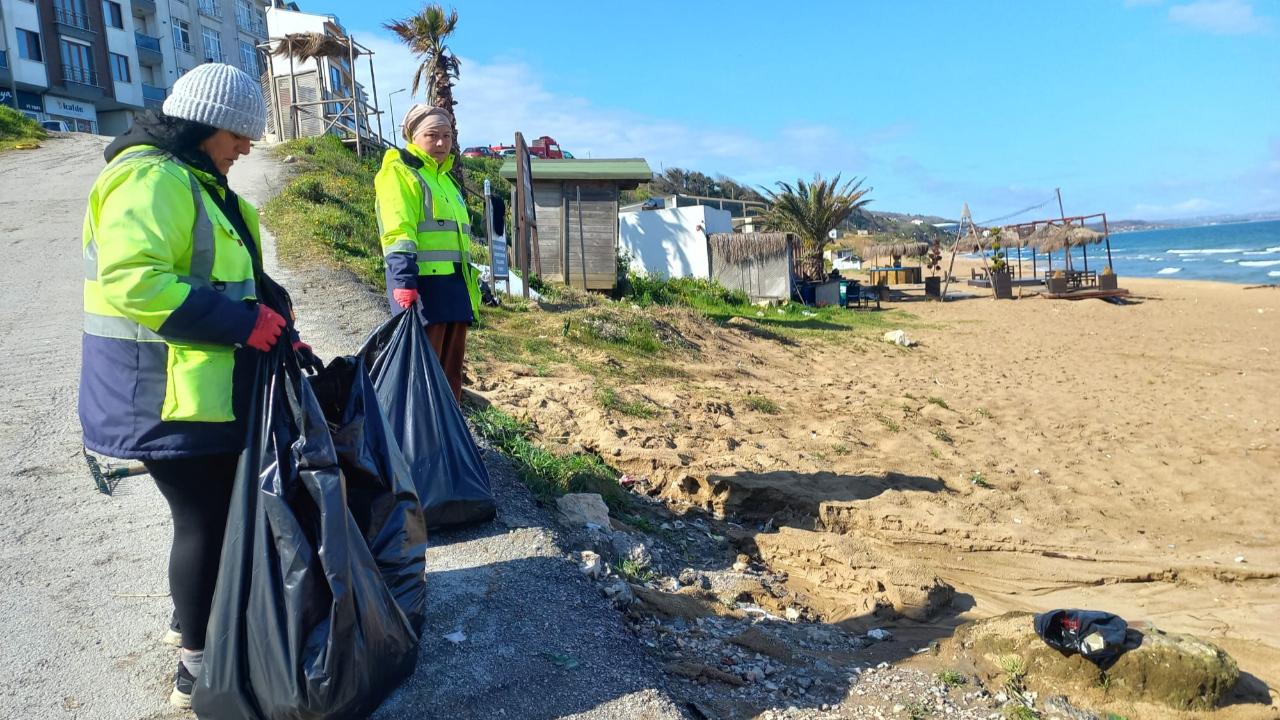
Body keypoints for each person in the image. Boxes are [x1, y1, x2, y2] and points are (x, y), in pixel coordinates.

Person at [78, 63, 319, 708]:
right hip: (161, 394)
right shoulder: (149, 178)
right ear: (202, 125)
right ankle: (196, 663)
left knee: (215, 512)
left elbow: (241, 280)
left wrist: (282, 333)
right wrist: (242, 325)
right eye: (239, 135)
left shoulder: (199, 182)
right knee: (204, 517)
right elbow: (135, 279)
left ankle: (202, 619)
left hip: (197, 389)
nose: (246, 147)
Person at [374, 104, 480, 403]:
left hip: (454, 292)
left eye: (447, 136)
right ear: (413, 136)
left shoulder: (446, 180)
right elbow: (398, 231)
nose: (441, 143)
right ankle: (417, 433)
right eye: (432, 135)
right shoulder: (400, 172)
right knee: (421, 378)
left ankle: (448, 431)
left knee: (450, 377)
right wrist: (403, 280)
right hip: (423, 292)